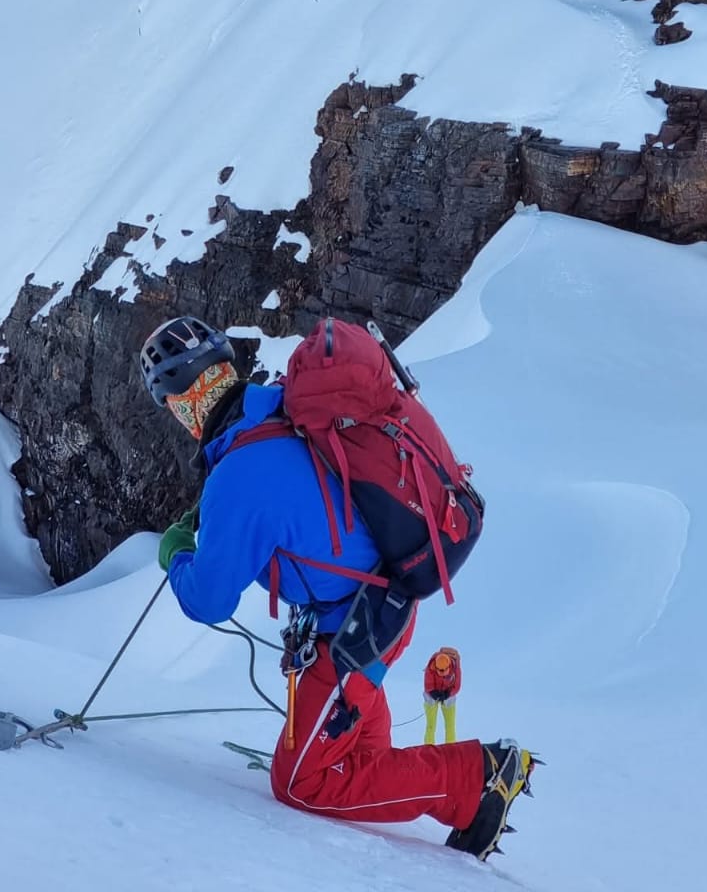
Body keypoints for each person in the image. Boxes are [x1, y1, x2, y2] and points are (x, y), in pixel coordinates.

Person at [139, 314, 533, 860]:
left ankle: (478, 778)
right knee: (355, 761)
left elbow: (208, 600)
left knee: (304, 781)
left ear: (183, 404)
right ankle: (446, 790)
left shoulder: (237, 474)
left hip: (358, 626)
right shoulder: (282, 407)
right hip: (376, 607)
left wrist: (176, 553)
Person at [423, 646, 462, 744]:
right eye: (439, 671)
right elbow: (428, 684)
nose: (442, 673)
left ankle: (451, 747)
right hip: (432, 695)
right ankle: (428, 748)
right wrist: (433, 692)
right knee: (431, 725)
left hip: (449, 695)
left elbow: (457, 685)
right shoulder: (431, 667)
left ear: (449, 666)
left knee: (450, 725)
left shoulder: (455, 667)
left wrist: (448, 693)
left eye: (444, 671)